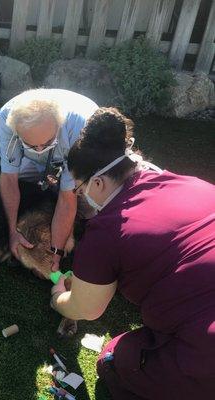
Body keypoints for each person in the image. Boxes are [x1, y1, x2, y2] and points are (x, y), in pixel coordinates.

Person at [51, 107, 215, 399]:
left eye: (79, 189)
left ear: (97, 182)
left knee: (113, 359)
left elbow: (86, 309)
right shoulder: (190, 182)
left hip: (206, 349)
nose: (80, 198)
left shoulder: (107, 231)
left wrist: (59, 298)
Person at [0, 89, 98, 273]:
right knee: (25, 188)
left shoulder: (79, 126)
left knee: (87, 202)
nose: (40, 148)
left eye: (46, 142)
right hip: (41, 150)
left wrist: (56, 252)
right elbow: (9, 178)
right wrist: (13, 232)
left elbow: (68, 198)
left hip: (81, 149)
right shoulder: (6, 117)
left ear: (58, 127)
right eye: (32, 145)